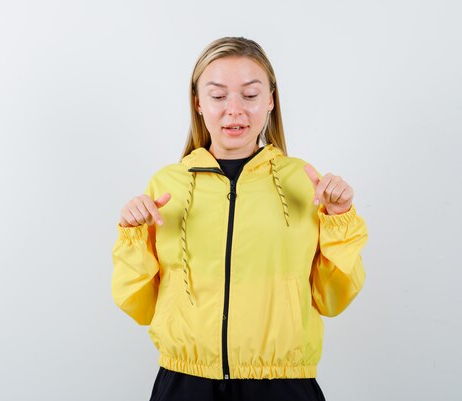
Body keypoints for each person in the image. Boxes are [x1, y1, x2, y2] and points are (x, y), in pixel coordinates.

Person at [111, 36, 368, 401]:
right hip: (185, 386)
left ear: (270, 101)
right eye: (218, 96)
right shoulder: (166, 186)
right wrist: (133, 235)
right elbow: (140, 305)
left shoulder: (303, 183)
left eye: (250, 95)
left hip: (283, 387)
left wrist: (338, 218)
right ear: (198, 103)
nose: (235, 111)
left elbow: (333, 299)